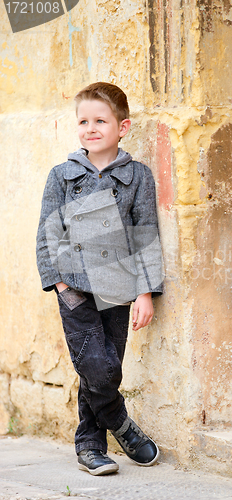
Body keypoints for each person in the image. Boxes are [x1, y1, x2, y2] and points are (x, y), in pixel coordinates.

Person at [36, 82, 164, 476]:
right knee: (97, 365)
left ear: (122, 127)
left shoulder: (138, 176)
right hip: (73, 286)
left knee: (104, 366)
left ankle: (90, 446)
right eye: (83, 121)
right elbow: (47, 233)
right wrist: (59, 282)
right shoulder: (62, 175)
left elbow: (146, 235)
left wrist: (145, 292)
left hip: (116, 285)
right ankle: (122, 424)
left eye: (100, 121)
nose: (90, 128)